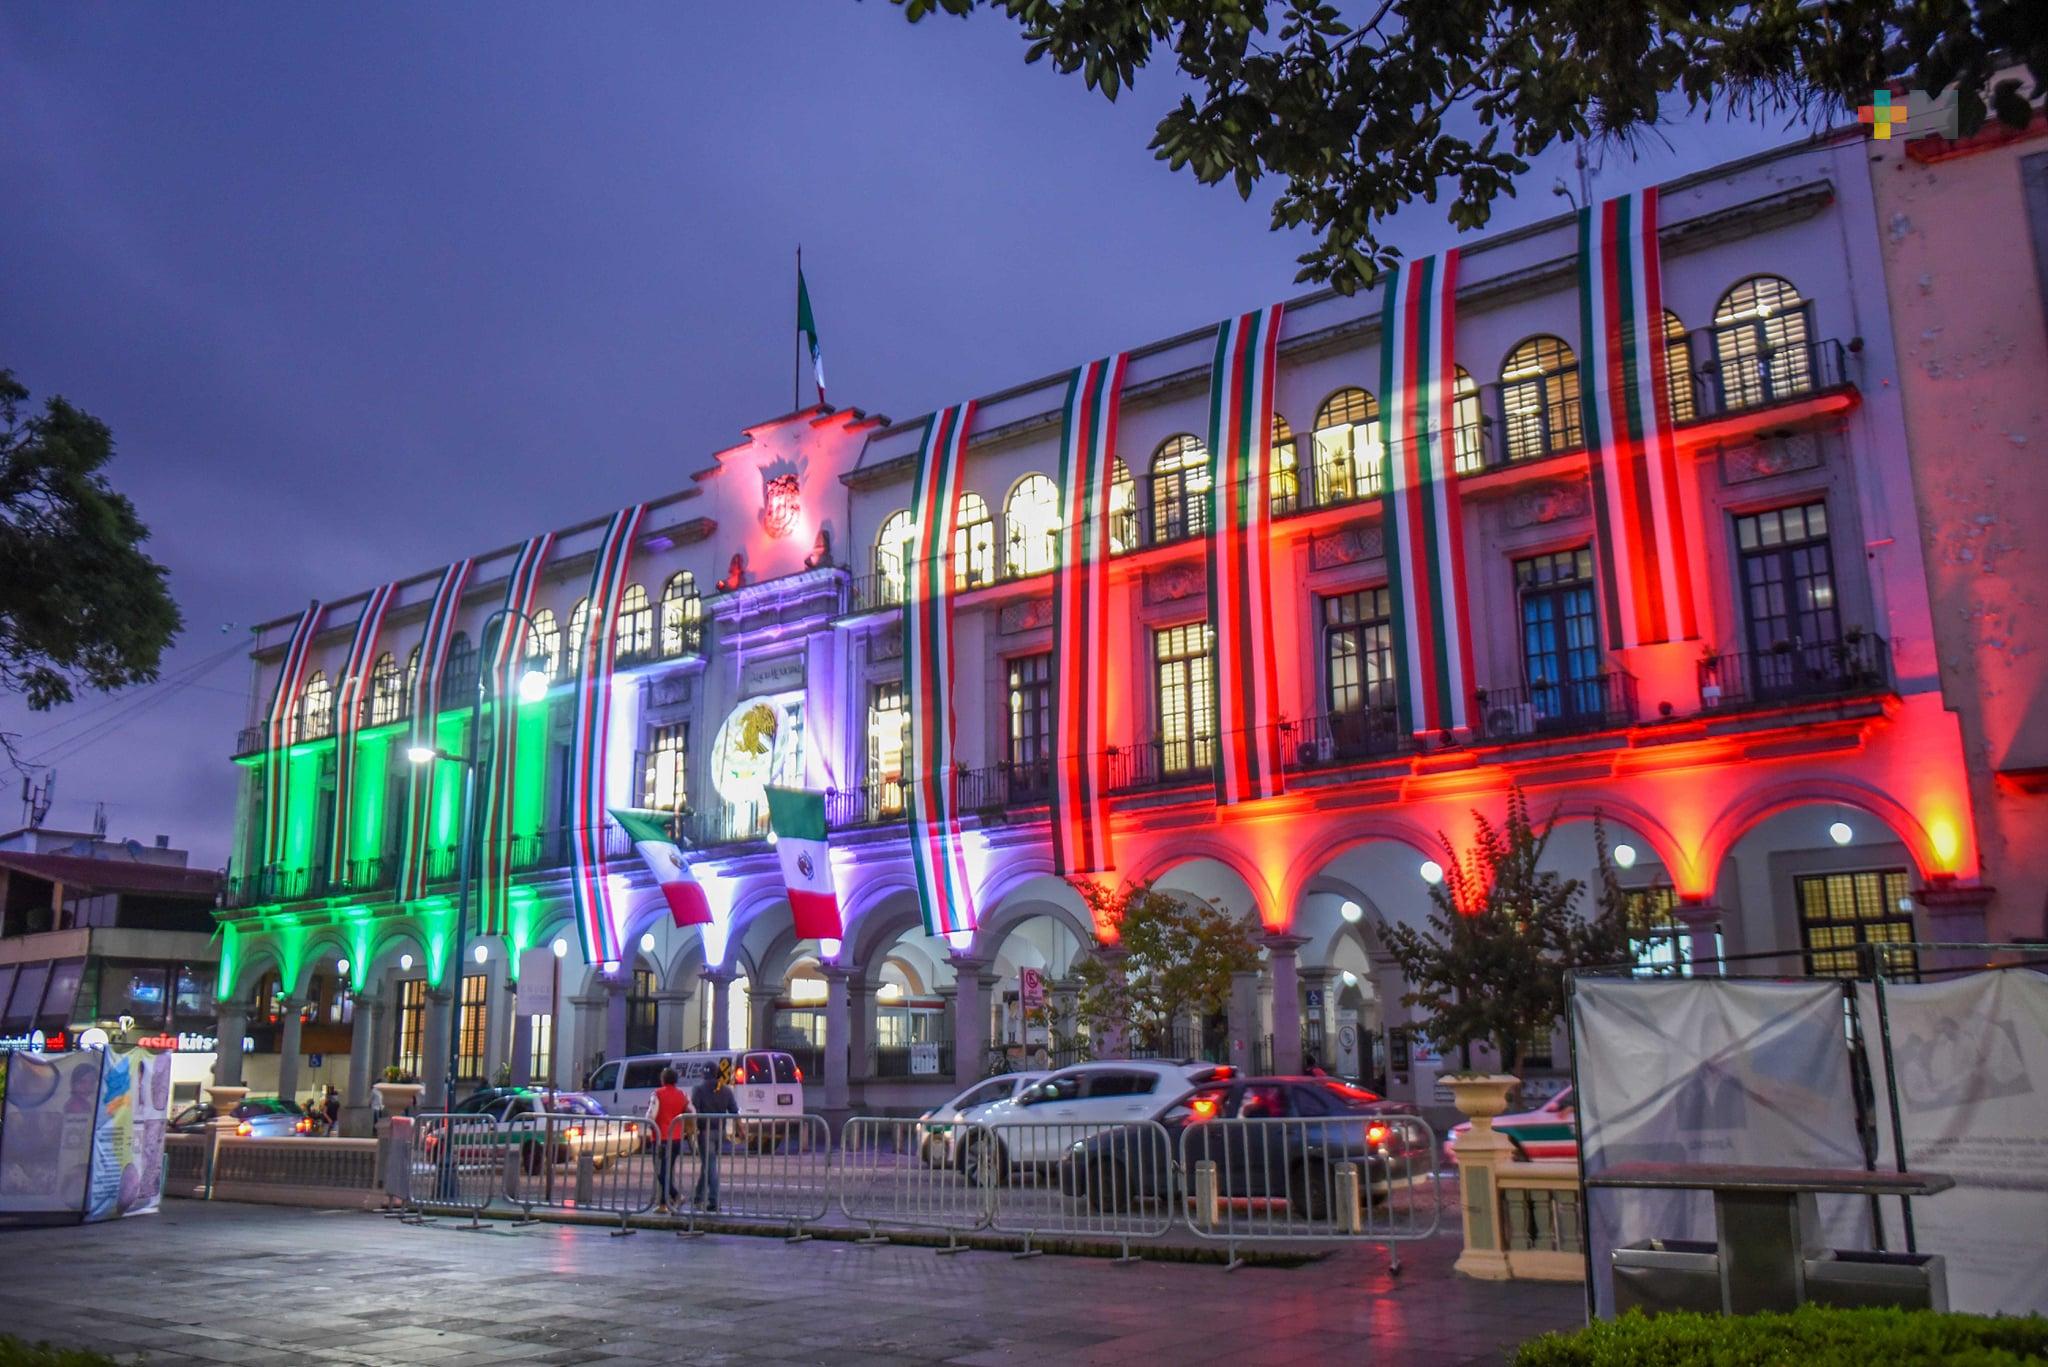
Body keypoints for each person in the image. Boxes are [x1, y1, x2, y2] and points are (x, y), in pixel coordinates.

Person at [690, 1058, 738, 1212]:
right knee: (708, 1164)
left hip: (705, 1132)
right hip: (720, 1131)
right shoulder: (725, 1090)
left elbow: (694, 1110)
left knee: (710, 1166)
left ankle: (714, 1200)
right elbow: (734, 1111)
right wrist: (741, 1129)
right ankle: (698, 1197)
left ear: (704, 1074)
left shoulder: (698, 1089)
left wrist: (691, 1130)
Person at [645, 1067, 693, 1213]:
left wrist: (649, 1127)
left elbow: (650, 1115)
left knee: (660, 1172)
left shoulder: (657, 1094)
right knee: (667, 1171)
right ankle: (663, 1204)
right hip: (677, 1138)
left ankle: (676, 1195)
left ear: (663, 1079)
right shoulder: (682, 1094)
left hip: (661, 1139)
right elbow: (690, 1111)